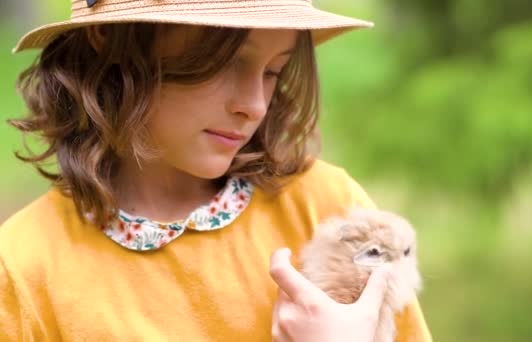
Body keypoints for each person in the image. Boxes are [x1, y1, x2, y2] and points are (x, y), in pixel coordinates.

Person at [0, 0, 432, 341]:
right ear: (109, 41)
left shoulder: (332, 215)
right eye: (227, 62)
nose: (254, 105)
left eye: (273, 72)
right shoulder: (22, 269)